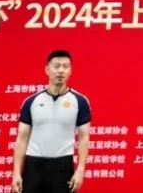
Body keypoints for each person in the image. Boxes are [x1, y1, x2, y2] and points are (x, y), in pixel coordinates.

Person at [11, 50, 90, 193]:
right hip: (34, 165)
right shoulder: (31, 101)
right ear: (47, 70)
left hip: (63, 166)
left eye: (65, 66)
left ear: (70, 70)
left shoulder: (80, 101)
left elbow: (84, 137)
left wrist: (80, 170)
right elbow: (22, 139)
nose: (61, 71)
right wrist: (16, 172)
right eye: (56, 66)